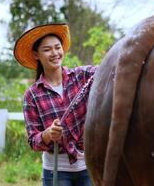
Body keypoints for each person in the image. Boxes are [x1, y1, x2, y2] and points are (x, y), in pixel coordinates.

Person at [13, 23, 96, 186]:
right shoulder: (32, 95)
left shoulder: (82, 76)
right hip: (56, 172)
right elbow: (33, 140)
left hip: (88, 168)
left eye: (57, 47)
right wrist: (48, 134)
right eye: (47, 49)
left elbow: (110, 68)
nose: (55, 53)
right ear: (36, 54)